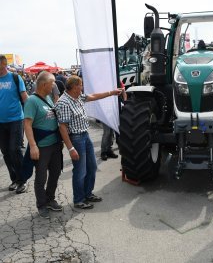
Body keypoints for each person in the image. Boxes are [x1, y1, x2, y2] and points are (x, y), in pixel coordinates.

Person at [55, 75, 122, 209]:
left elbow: (93, 96)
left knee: (91, 167)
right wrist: (70, 149)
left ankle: (87, 193)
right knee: (80, 170)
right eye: (80, 85)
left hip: (85, 135)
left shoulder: (77, 96)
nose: (82, 87)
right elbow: (62, 127)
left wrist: (111, 93)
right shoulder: (64, 102)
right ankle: (79, 200)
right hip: (76, 139)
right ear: (74, 87)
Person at [23, 71, 63, 218]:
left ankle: (50, 199)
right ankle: (41, 204)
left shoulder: (48, 98)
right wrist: (32, 145)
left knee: (56, 172)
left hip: (55, 144)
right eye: (52, 83)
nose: (54, 85)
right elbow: (27, 124)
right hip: (42, 146)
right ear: (44, 84)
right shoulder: (32, 101)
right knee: (41, 177)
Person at [0, 55, 28, 193]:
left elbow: (25, 98)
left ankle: (22, 180)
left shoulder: (15, 78)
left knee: (14, 149)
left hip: (16, 119)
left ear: (4, 64)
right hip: (1, 122)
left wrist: (31, 116)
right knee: (5, 151)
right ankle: (14, 179)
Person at [100, 82, 127, 161]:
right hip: (106, 110)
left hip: (114, 110)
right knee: (107, 132)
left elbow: (124, 93)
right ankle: (103, 151)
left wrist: (125, 102)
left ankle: (109, 150)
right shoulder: (105, 81)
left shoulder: (118, 81)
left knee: (111, 132)